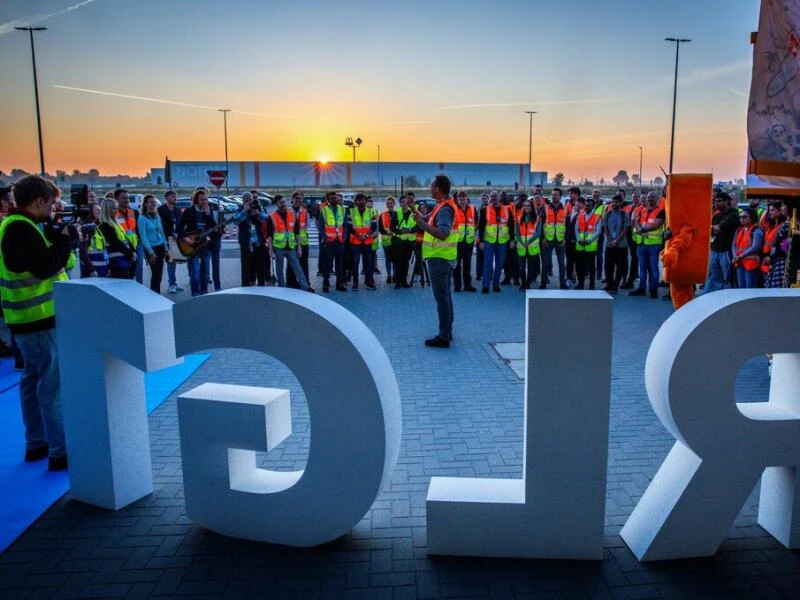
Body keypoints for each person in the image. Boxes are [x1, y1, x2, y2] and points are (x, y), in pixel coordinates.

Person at [0, 175, 73, 471]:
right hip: (39, 318)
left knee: (31, 380)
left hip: (21, 318)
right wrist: (65, 241)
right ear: (39, 201)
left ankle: (36, 442)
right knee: (51, 385)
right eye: (52, 203)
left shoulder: (9, 225)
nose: (54, 209)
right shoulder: (23, 229)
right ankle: (60, 450)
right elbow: (44, 267)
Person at [412, 175, 458, 348]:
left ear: (438, 188)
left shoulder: (445, 208)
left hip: (440, 258)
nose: (429, 188)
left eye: (431, 186)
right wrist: (415, 213)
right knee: (445, 297)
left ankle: (444, 336)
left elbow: (443, 232)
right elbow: (426, 220)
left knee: (442, 299)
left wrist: (423, 226)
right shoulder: (441, 205)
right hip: (443, 257)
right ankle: (447, 332)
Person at [176, 188, 216, 296]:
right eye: (202, 200)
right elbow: (179, 228)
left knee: (206, 273)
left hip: (205, 245)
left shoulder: (208, 211)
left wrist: (209, 215)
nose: (205, 202)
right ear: (196, 200)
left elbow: (214, 227)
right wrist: (185, 238)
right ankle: (195, 293)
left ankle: (204, 293)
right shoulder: (189, 211)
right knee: (195, 272)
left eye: (206, 200)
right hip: (192, 246)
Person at [703, 192, 740, 293]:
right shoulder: (717, 216)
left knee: (727, 276)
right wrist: (714, 228)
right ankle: (712, 296)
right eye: (715, 201)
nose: (716, 203)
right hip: (714, 249)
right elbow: (709, 230)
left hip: (726, 251)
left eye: (719, 201)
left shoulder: (733, 214)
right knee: (713, 276)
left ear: (727, 201)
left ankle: (727, 298)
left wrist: (715, 228)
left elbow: (717, 229)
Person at [630, 191, 665, 298]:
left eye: (652, 197)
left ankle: (653, 290)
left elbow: (656, 224)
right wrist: (639, 229)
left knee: (653, 268)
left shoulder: (661, 211)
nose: (649, 199)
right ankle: (642, 288)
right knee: (642, 267)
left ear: (657, 198)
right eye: (648, 197)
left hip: (654, 244)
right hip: (642, 243)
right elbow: (636, 221)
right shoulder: (643, 210)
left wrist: (642, 229)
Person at [478, 190, 512, 293]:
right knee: (487, 264)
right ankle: (485, 285)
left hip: (502, 241)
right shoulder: (485, 209)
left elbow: (511, 226)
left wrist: (512, 240)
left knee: (499, 264)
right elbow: (481, 226)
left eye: (495, 196)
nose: (493, 198)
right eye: (492, 196)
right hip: (489, 241)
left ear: (499, 197)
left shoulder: (507, 209)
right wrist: (481, 241)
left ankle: (496, 284)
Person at [234, 193, 269, 286]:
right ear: (243, 201)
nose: (249, 202)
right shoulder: (240, 209)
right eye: (246, 200)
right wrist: (244, 212)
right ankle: (246, 286)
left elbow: (267, 219)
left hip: (259, 242)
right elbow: (236, 221)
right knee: (246, 266)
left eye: (250, 199)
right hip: (246, 243)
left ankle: (261, 285)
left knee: (261, 266)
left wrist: (258, 214)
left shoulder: (259, 208)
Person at [346, 193, 378, 290]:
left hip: (367, 241)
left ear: (366, 201)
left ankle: (369, 281)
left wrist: (367, 235)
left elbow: (374, 226)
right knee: (355, 263)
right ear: (355, 202)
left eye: (363, 200)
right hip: (356, 242)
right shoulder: (351, 212)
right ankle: (355, 283)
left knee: (368, 263)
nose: (361, 201)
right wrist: (359, 235)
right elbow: (349, 227)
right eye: (359, 200)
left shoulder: (371, 211)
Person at [138, 195, 168, 294]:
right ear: (145, 204)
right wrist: (150, 252)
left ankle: (156, 293)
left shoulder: (157, 216)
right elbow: (143, 238)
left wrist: (166, 248)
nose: (153, 204)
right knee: (155, 273)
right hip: (151, 248)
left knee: (160, 273)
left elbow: (162, 233)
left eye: (154, 202)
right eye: (150, 202)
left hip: (160, 247)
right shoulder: (142, 218)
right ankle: (154, 293)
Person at [98, 197, 136, 279]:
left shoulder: (116, 223)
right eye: (113, 209)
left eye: (116, 208)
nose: (116, 211)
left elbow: (125, 239)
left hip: (124, 258)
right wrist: (130, 253)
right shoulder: (105, 225)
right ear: (107, 210)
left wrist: (133, 251)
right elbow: (115, 242)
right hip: (116, 261)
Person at [541, 187, 570, 289]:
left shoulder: (565, 209)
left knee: (561, 263)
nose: (554, 196)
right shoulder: (546, 208)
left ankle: (562, 283)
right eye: (552, 195)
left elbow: (568, 226)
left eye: (556, 195)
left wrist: (565, 239)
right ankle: (543, 283)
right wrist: (543, 238)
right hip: (547, 240)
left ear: (560, 196)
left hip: (560, 240)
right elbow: (541, 224)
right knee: (545, 263)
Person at [157, 190, 184, 294]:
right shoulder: (161, 210)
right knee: (170, 262)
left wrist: (179, 233)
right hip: (165, 239)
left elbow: (181, 224)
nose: (175, 198)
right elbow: (160, 226)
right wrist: (170, 234)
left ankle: (174, 284)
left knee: (174, 262)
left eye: (175, 196)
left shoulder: (178, 210)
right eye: (173, 196)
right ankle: (171, 284)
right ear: (167, 198)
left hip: (176, 240)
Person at [319, 191, 346, 292]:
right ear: (328, 200)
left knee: (340, 264)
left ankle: (339, 284)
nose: (334, 200)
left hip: (340, 241)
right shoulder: (324, 210)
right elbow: (321, 226)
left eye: (335, 198)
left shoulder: (342, 209)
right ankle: (326, 283)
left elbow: (345, 226)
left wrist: (344, 238)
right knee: (328, 265)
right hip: (329, 242)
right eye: (332, 198)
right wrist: (326, 239)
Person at [574, 196, 603, 289]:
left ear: (593, 207)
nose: (587, 207)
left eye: (589, 206)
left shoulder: (597, 218)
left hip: (591, 246)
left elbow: (598, 231)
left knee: (591, 267)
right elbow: (576, 229)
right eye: (586, 206)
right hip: (580, 245)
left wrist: (589, 240)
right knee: (579, 267)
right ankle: (580, 284)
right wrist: (579, 239)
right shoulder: (580, 216)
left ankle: (592, 284)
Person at [602, 194, 629, 292]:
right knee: (608, 266)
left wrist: (617, 240)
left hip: (621, 245)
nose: (614, 204)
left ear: (621, 203)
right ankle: (609, 283)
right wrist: (610, 240)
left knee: (620, 266)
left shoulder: (624, 215)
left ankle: (616, 285)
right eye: (613, 202)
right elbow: (605, 228)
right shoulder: (607, 214)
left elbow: (625, 229)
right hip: (609, 245)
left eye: (616, 202)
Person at [732, 207, 764, 289]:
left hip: (751, 264)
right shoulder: (739, 230)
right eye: (741, 217)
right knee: (741, 287)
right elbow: (734, 245)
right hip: (739, 262)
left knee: (750, 288)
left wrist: (740, 256)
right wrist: (735, 255)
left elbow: (756, 247)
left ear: (752, 217)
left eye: (744, 217)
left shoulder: (756, 231)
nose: (742, 219)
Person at [515, 198, 541, 290]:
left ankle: (528, 283)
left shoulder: (537, 218)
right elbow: (516, 232)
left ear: (532, 207)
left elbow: (538, 232)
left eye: (528, 206)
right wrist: (522, 242)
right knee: (521, 268)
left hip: (532, 246)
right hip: (521, 246)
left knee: (530, 268)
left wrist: (528, 242)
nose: (526, 207)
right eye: (525, 205)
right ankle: (523, 282)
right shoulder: (519, 218)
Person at [286, 191, 311, 289]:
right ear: (292, 200)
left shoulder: (304, 211)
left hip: (303, 241)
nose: (298, 200)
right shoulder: (287, 211)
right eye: (296, 198)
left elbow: (307, 225)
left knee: (304, 263)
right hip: (291, 242)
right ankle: (290, 282)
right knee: (291, 263)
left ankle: (305, 282)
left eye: (300, 198)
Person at [453, 191, 477, 292]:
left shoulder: (472, 208)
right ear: (457, 199)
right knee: (457, 265)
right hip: (457, 241)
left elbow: (476, 223)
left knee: (467, 265)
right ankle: (457, 286)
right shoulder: (453, 209)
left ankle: (468, 285)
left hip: (469, 241)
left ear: (467, 198)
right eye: (460, 197)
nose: (462, 199)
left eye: (464, 197)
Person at [114, 189, 139, 280]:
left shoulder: (133, 212)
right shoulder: (114, 214)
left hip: (133, 247)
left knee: (132, 275)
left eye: (128, 198)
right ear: (116, 199)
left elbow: (136, 230)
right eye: (123, 198)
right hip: (121, 249)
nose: (127, 200)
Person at [78, 202, 108, 278]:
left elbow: (103, 251)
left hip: (102, 269)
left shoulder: (96, 227)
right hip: (91, 271)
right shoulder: (86, 227)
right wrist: (92, 270)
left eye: (100, 210)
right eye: (97, 210)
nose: (99, 211)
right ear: (90, 211)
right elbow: (83, 252)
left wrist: (107, 267)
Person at [764, 202, 790, 288]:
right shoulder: (774, 226)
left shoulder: (787, 224)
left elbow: (785, 245)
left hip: (782, 261)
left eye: (783, 205)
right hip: (773, 260)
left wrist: (773, 255)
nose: (770, 212)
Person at [393, 194, 416, 288]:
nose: (404, 203)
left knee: (406, 262)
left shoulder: (413, 212)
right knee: (399, 262)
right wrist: (400, 231)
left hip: (409, 242)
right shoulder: (397, 212)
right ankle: (398, 282)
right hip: (399, 242)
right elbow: (392, 227)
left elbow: (418, 226)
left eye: (406, 202)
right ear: (400, 203)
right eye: (402, 202)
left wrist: (410, 230)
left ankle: (404, 281)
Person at [378, 196, 398, 284]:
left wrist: (393, 233)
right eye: (388, 203)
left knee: (395, 259)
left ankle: (395, 275)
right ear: (386, 205)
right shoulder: (382, 215)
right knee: (388, 259)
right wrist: (388, 233)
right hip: (386, 241)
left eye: (391, 203)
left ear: (394, 204)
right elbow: (380, 228)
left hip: (395, 240)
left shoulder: (397, 214)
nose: (389, 205)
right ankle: (389, 275)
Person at [474, 192, 489, 282]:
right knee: (479, 257)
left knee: (488, 258)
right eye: (482, 198)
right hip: (479, 236)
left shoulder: (490, 208)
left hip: (489, 237)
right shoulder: (479, 208)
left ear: (488, 199)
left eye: (485, 198)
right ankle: (479, 274)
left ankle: (487, 274)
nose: (484, 199)